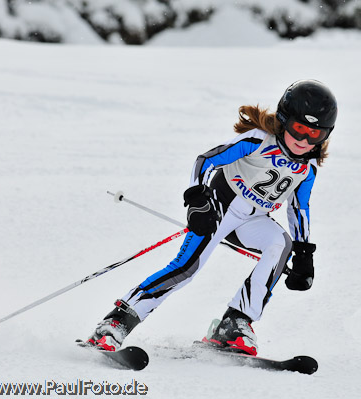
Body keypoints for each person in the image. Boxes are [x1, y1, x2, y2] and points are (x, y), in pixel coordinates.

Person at [85, 79, 338, 356]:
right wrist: (198, 198)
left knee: (280, 244)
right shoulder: (257, 140)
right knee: (186, 268)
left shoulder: (309, 167)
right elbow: (205, 161)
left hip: (253, 220)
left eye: (314, 134)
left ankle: (235, 322)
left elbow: (298, 208)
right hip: (218, 208)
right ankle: (115, 323)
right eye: (299, 129)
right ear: (284, 120)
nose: (304, 140)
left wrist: (303, 251)